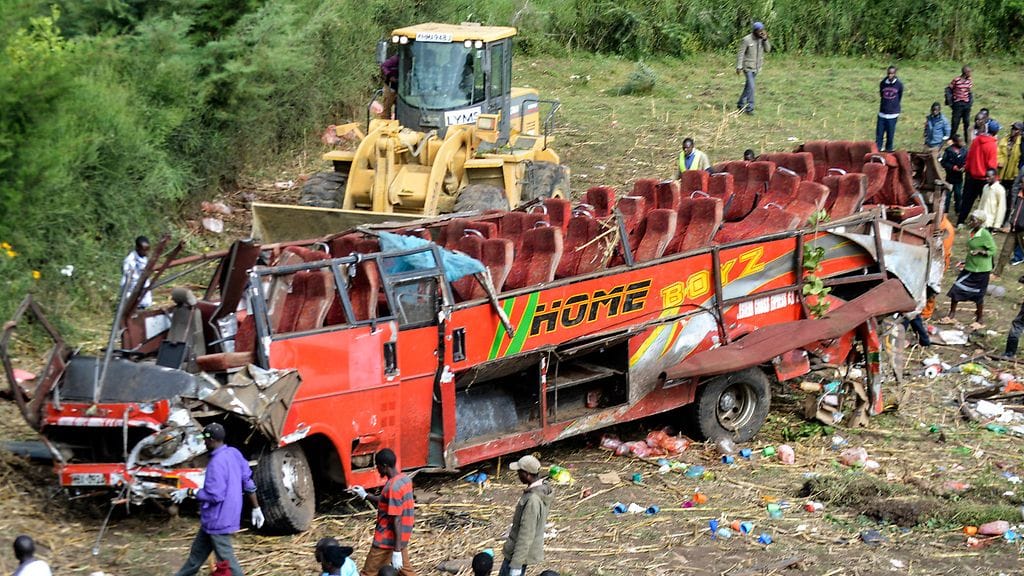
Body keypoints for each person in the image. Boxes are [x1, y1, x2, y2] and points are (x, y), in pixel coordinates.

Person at [172, 423, 264, 576]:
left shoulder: (216, 464)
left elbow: (215, 496)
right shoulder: (234, 453)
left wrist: (189, 491)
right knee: (196, 556)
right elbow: (247, 481)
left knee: (227, 562)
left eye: (205, 440)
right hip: (219, 517)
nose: (204, 443)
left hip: (217, 519)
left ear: (212, 440)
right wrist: (256, 507)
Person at [349, 448, 416, 576]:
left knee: (368, 573)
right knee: (406, 572)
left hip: (386, 540)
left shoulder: (393, 488)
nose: (377, 469)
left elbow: (396, 519)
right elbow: (387, 501)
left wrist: (396, 551)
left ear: (384, 466)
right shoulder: (404, 480)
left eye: (378, 466)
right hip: (401, 538)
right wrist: (364, 495)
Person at [940, 210, 996, 327]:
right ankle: (951, 314)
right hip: (970, 267)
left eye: (973, 220)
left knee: (979, 296)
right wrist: (965, 261)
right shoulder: (972, 232)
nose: (970, 222)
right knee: (956, 288)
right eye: (970, 219)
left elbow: (993, 250)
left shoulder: (985, 234)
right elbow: (971, 250)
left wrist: (981, 251)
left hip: (981, 270)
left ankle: (979, 319)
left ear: (980, 222)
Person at [499, 455, 554, 576]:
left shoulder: (533, 500)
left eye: (519, 472)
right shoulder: (540, 491)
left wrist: (516, 565)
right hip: (519, 553)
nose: (517, 475)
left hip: (517, 555)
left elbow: (526, 535)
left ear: (527, 474)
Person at [957, 122, 998, 226]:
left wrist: (967, 169)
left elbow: (969, 157)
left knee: (966, 201)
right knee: (985, 203)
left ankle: (960, 221)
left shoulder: (976, 140)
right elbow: (991, 165)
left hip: (971, 176)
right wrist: (995, 179)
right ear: (995, 132)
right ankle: (984, 224)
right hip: (984, 179)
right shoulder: (992, 145)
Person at [735, 22, 770, 115]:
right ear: (754, 31)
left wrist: (765, 40)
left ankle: (740, 103)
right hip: (748, 67)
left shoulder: (761, 39)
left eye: (762, 31)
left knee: (748, 87)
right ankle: (750, 108)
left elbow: (768, 50)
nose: (761, 33)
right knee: (752, 86)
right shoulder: (746, 39)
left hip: (757, 67)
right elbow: (741, 53)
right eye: (759, 31)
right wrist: (739, 66)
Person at [996, 172, 1024, 275]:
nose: (1022, 184)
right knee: (1005, 251)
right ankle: (997, 273)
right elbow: (1014, 211)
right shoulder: (1019, 196)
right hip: (1014, 228)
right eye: (1022, 182)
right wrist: (1010, 223)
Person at [997, 122, 1022, 225]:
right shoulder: (1004, 140)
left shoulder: (1021, 144)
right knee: (999, 198)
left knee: (1010, 200)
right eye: (1013, 128)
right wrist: (1000, 161)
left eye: (1016, 129)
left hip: (1013, 176)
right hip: (1001, 175)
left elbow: (1020, 160)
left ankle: (1006, 221)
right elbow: (998, 152)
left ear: (1020, 132)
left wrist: (1017, 173)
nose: (1013, 131)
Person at [875, 66, 903, 152]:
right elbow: (881, 94)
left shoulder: (899, 85)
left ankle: (888, 153)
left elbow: (899, 97)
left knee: (890, 136)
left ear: (895, 74)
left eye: (892, 73)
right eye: (888, 73)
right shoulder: (883, 83)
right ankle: (878, 152)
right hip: (882, 113)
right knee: (879, 136)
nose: (890, 75)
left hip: (892, 115)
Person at [122, 235, 152, 308]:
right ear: (137, 248)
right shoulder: (130, 260)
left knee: (147, 303)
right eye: (144, 250)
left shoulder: (144, 257)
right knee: (133, 306)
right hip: (133, 288)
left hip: (143, 286)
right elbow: (127, 278)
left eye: (147, 250)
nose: (146, 252)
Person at [940, 134, 967, 216]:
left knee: (958, 194)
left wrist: (964, 167)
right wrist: (952, 167)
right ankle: (945, 211)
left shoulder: (964, 151)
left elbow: (967, 161)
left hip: (959, 178)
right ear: (955, 142)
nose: (962, 143)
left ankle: (958, 210)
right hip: (950, 177)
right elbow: (944, 162)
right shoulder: (948, 151)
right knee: (947, 195)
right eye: (960, 141)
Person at [948, 66, 973, 145]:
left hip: (966, 104)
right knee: (955, 122)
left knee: (966, 123)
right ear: (964, 72)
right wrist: (951, 101)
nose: (970, 73)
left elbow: (969, 91)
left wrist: (969, 103)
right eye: (969, 72)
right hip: (958, 104)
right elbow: (949, 89)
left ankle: (967, 140)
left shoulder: (969, 81)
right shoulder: (956, 80)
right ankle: (952, 139)